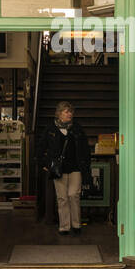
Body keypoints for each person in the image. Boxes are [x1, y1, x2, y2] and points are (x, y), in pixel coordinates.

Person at [38, 101, 91, 236]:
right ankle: (64, 227)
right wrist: (44, 164)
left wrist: (85, 163)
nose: (69, 114)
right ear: (59, 114)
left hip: (75, 167)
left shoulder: (77, 128)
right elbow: (41, 148)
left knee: (74, 195)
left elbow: (85, 148)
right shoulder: (50, 129)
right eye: (66, 111)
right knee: (62, 198)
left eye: (70, 112)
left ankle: (76, 224)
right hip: (58, 169)